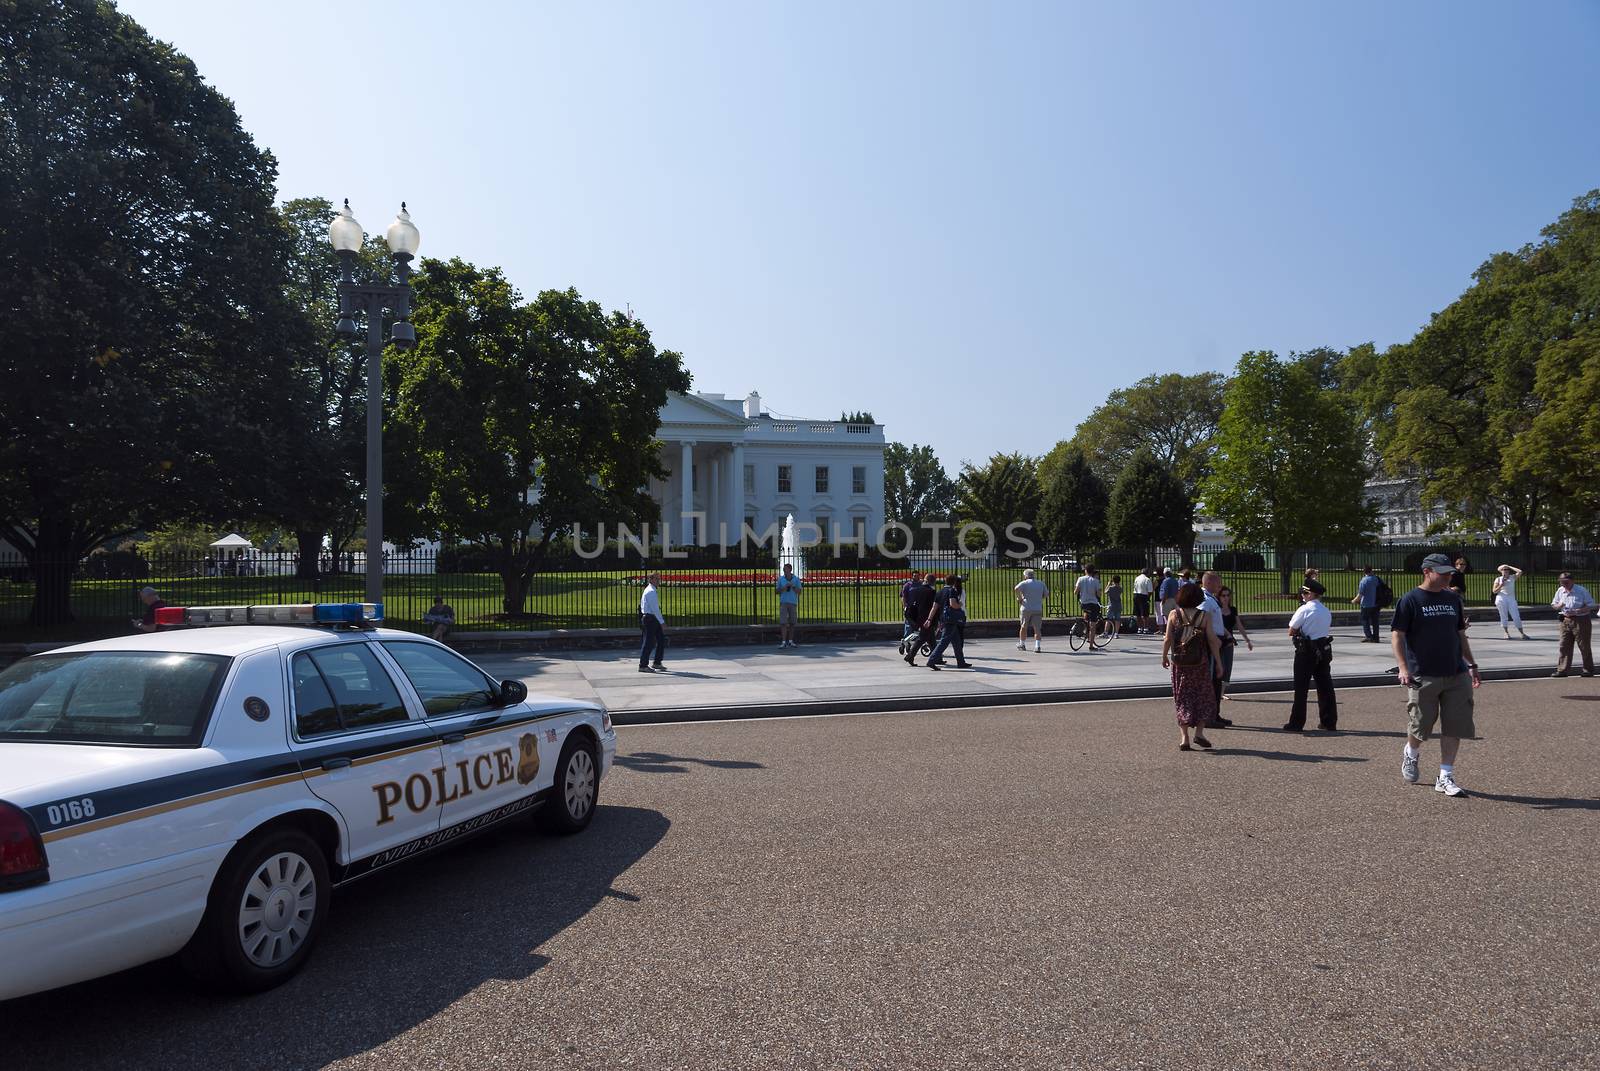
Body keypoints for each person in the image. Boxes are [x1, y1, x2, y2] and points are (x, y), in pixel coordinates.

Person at [1393, 554, 1482, 797]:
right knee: (1420, 724)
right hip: (1424, 673)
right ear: (1427, 571)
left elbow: (1461, 635)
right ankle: (1411, 754)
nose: (1448, 576)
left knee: (1455, 725)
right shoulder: (1410, 600)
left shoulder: (1453, 598)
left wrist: (1472, 664)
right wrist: (1403, 667)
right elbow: (1398, 635)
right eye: (1443, 572)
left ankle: (1445, 776)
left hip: (1456, 672)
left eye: (1449, 572)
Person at [1161, 582, 1223, 751]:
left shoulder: (1174, 614)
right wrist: (1218, 662)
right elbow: (1212, 640)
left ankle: (1184, 737)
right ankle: (1200, 733)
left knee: (1182, 698)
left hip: (1180, 663)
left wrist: (1164, 656)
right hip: (1199, 663)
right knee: (1202, 695)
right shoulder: (1204, 616)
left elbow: (1167, 638)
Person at [1285, 578, 1337, 732]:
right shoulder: (1325, 610)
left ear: (1311, 594)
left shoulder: (1304, 609)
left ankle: (1296, 722)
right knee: (1325, 687)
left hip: (1306, 651)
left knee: (1301, 688)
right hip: (1323, 649)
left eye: (1305, 592)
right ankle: (1329, 721)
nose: (1303, 595)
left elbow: (1291, 630)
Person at [1198, 571, 1233, 726]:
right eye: (1217, 583)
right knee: (1212, 680)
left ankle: (1215, 714)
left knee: (1217, 681)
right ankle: (1209, 716)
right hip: (1211, 642)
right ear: (1209, 583)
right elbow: (1202, 621)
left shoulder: (1210, 598)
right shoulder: (1205, 600)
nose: (1219, 586)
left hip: (1217, 640)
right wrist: (1212, 638)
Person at [1551, 571, 1597, 678]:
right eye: (1561, 582)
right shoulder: (1560, 590)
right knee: (1564, 645)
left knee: (1584, 645)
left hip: (1581, 620)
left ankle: (1588, 669)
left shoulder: (1581, 590)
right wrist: (1559, 606)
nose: (1563, 584)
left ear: (1572, 581)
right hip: (1565, 620)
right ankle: (1562, 670)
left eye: (1566, 582)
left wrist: (1578, 611)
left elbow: (1591, 605)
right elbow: (1554, 604)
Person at [1216, 584, 1254, 702]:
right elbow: (1217, 625)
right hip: (1217, 641)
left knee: (1227, 667)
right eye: (1223, 596)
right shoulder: (1216, 609)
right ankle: (1215, 692)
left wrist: (1247, 640)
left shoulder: (1233, 610)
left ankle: (1221, 693)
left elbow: (1239, 625)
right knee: (1219, 666)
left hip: (1229, 642)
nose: (1226, 598)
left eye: (1228, 595)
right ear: (1219, 597)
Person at [926, 574, 970, 669]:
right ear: (954, 582)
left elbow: (934, 607)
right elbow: (953, 604)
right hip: (951, 619)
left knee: (957, 641)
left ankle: (961, 662)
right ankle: (931, 660)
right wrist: (960, 605)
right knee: (944, 642)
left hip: (943, 619)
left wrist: (929, 619)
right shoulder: (952, 591)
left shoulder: (940, 592)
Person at [904, 573, 939, 666]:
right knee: (921, 639)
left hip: (919, 618)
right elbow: (934, 607)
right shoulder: (932, 592)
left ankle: (938, 657)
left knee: (931, 639)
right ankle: (910, 656)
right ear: (933, 582)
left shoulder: (918, 590)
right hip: (927, 619)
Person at [638, 572, 667, 672]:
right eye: (657, 579)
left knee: (661, 640)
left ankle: (657, 662)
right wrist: (662, 622)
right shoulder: (650, 591)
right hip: (650, 619)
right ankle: (643, 665)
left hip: (652, 619)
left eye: (659, 579)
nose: (659, 581)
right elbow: (655, 609)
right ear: (651, 580)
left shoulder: (652, 590)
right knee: (648, 643)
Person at [1014, 568, 1047, 652]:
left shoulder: (1024, 583)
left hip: (1026, 607)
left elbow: (1016, 588)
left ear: (1025, 576)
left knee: (1024, 626)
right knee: (1037, 628)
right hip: (1037, 608)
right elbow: (1046, 594)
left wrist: (1020, 599)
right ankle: (1037, 646)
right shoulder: (1041, 583)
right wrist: (1039, 598)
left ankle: (1022, 644)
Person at [1492, 564, 1528, 640]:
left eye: (1507, 570)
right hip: (1501, 598)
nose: (1506, 571)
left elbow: (1520, 571)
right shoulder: (1498, 579)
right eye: (1504, 570)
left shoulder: (1512, 577)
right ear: (1501, 571)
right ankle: (1506, 633)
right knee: (1503, 616)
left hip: (1511, 598)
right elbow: (1494, 591)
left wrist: (1509, 566)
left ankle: (1522, 633)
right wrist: (1501, 585)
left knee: (1516, 615)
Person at [1074, 565, 1104, 646]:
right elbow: (1099, 594)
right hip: (1093, 604)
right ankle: (1091, 644)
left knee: (1086, 616)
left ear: (1086, 570)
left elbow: (1075, 592)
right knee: (1093, 624)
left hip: (1084, 603)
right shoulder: (1096, 581)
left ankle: (1085, 629)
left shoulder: (1080, 579)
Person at [775, 563, 803, 648]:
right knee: (783, 623)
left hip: (792, 602)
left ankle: (790, 641)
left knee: (792, 623)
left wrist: (793, 587)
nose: (784, 570)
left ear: (790, 570)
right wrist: (784, 588)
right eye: (783, 569)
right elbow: (776, 591)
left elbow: (799, 592)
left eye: (785, 569)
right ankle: (783, 642)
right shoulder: (781, 579)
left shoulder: (796, 579)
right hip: (783, 602)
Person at [1352, 565, 1381, 643]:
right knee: (1375, 621)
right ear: (1371, 570)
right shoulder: (1376, 579)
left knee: (1365, 620)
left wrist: (1354, 601)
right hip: (1376, 603)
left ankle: (1369, 636)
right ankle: (1376, 637)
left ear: (1364, 572)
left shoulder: (1364, 581)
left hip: (1366, 604)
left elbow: (1360, 594)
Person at [899, 570, 925, 651]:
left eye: (917, 575)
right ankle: (906, 641)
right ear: (912, 576)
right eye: (914, 576)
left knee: (918, 627)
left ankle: (910, 642)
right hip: (910, 609)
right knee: (908, 626)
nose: (916, 577)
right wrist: (905, 606)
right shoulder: (908, 585)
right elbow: (903, 596)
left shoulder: (922, 584)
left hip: (919, 609)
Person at [1132, 568, 1155, 634]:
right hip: (1144, 596)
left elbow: (1135, 587)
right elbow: (1150, 591)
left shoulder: (1137, 578)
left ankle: (1139, 628)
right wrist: (1148, 597)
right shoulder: (1147, 579)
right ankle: (1146, 628)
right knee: (1145, 614)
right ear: (1147, 573)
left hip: (1136, 595)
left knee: (1138, 613)